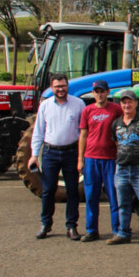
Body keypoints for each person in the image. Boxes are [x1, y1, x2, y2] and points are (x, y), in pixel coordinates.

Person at [30, 74, 85, 240]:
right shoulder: (45, 106)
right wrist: (34, 155)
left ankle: (71, 226)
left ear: (67, 86)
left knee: (72, 191)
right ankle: (46, 224)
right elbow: (38, 132)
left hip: (71, 152)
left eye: (63, 86)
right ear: (52, 88)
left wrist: (82, 156)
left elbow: (84, 132)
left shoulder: (78, 104)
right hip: (50, 153)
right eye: (57, 87)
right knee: (48, 191)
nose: (60, 89)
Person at [109, 89, 139, 245]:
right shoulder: (116, 123)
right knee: (123, 204)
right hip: (121, 169)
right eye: (124, 102)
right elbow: (116, 143)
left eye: (130, 101)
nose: (127, 104)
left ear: (136, 103)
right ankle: (123, 233)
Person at [76, 80, 122, 242]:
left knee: (113, 196)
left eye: (102, 91)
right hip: (91, 159)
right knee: (91, 196)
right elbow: (83, 135)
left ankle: (117, 229)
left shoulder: (116, 109)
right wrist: (80, 159)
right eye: (96, 91)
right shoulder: (87, 111)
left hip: (110, 159)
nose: (99, 94)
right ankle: (91, 230)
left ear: (107, 92)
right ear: (93, 93)